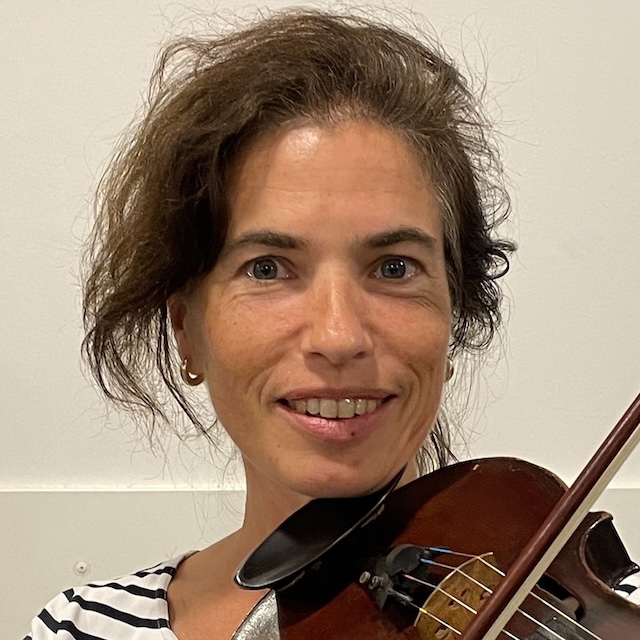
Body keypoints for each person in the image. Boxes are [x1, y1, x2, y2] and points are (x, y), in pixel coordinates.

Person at [23, 8, 639, 640]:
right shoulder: (79, 628)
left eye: (394, 267)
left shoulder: (605, 608)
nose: (339, 337)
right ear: (187, 331)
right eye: (267, 268)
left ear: (453, 314)